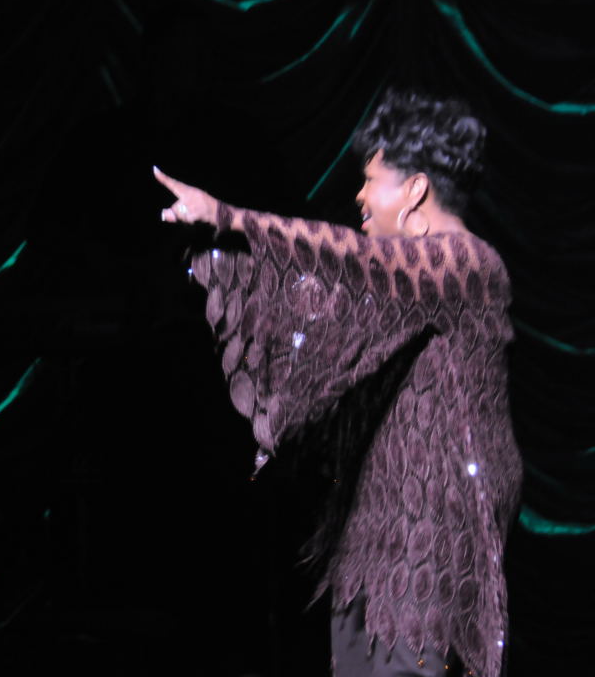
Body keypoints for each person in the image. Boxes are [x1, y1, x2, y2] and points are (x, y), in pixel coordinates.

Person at [154, 89, 522, 677]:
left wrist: (229, 217)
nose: (359, 196)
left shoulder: (468, 265)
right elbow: (318, 304)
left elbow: (350, 261)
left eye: (371, 180)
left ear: (415, 190)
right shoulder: (401, 293)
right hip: (374, 541)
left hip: (431, 551)